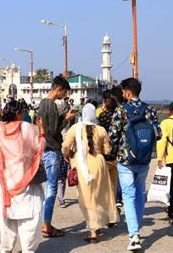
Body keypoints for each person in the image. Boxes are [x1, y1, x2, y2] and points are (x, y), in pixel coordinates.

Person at [0, 100, 46, 253]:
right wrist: (42, 131)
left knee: (7, 219)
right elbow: (39, 147)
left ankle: (6, 249)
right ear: (18, 113)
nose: (24, 114)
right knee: (30, 219)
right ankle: (28, 249)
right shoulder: (27, 128)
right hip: (25, 179)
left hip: (5, 181)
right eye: (22, 111)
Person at [109, 78, 161, 251]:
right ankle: (135, 231)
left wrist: (113, 151)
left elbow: (113, 135)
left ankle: (134, 236)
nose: (123, 94)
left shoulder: (121, 110)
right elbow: (158, 133)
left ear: (128, 92)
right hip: (144, 159)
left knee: (129, 196)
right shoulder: (150, 109)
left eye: (123, 91)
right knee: (139, 194)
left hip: (125, 159)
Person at [62, 103, 118, 241]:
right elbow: (107, 150)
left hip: (81, 164)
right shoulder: (101, 130)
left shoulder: (75, 128)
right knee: (99, 196)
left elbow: (65, 146)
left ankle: (92, 231)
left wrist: (67, 155)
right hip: (99, 164)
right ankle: (97, 227)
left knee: (86, 198)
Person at [37, 75, 77, 238]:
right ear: (59, 89)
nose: (64, 95)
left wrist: (62, 118)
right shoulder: (51, 105)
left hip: (45, 149)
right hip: (52, 150)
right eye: (64, 92)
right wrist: (66, 119)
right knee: (52, 189)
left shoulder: (42, 103)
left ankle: (44, 223)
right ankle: (46, 225)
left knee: (49, 188)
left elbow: (47, 128)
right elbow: (53, 131)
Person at [98, 96, 119, 215]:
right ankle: (113, 211)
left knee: (103, 186)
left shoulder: (102, 116)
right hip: (115, 155)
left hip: (103, 155)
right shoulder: (117, 117)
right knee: (113, 185)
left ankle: (105, 211)